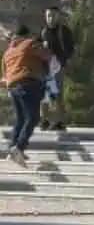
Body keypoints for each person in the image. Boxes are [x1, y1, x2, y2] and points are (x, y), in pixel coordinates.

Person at [3, 26, 51, 166]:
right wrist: (45, 46)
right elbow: (46, 55)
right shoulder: (29, 43)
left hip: (13, 87)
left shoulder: (7, 52)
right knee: (33, 117)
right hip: (27, 84)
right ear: (27, 35)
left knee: (21, 119)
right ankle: (19, 148)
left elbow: (5, 74)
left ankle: (12, 149)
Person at [39, 6, 74, 132]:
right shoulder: (44, 32)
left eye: (53, 15)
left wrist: (64, 60)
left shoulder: (64, 31)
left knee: (57, 94)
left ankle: (59, 122)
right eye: (48, 16)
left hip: (58, 66)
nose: (50, 18)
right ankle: (44, 120)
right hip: (46, 67)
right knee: (45, 94)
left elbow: (70, 49)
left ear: (58, 16)